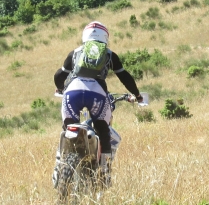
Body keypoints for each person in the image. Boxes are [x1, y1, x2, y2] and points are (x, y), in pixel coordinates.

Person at [53, 21, 143, 186]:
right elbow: (125, 77)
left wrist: (60, 88)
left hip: (72, 92)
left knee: (67, 130)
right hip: (97, 94)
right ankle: (104, 174)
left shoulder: (75, 53)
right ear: (105, 37)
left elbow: (59, 75)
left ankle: (59, 167)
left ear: (85, 36)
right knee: (103, 131)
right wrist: (137, 95)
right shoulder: (109, 54)